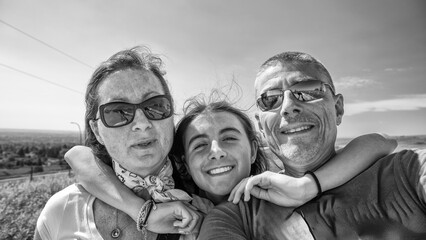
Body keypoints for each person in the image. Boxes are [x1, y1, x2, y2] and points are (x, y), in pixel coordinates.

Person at [66, 93, 395, 236]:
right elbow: (79, 157)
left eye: (229, 138)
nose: (216, 151)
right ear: (182, 161)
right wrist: (144, 211)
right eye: (199, 144)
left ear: (253, 150)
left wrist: (308, 185)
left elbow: (381, 141)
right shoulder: (172, 199)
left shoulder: (282, 188)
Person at [199, 51, 426, 239]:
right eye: (270, 99)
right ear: (260, 125)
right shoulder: (235, 216)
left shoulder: (408, 171)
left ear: (337, 108)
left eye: (307, 91)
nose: (288, 106)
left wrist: (310, 185)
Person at [34, 46, 202, 240]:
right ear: (97, 131)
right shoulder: (62, 211)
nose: (142, 124)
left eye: (155, 106)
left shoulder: (206, 207)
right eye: (117, 111)